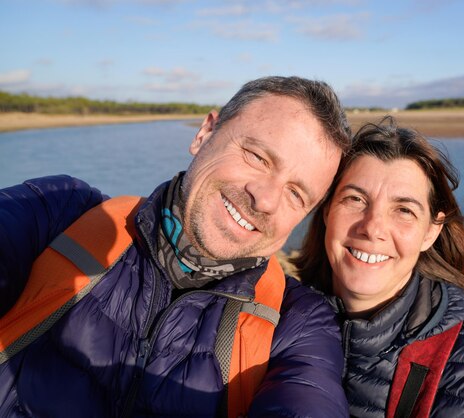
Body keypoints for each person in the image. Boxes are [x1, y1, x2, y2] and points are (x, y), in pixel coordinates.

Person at [0, 76, 352, 417]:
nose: (264, 200)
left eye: (296, 193)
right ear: (205, 133)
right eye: (258, 157)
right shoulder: (61, 213)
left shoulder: (296, 321)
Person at [294, 117, 464, 417]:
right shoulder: (275, 322)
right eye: (355, 199)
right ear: (326, 212)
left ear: (431, 231)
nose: (372, 228)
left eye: (403, 210)